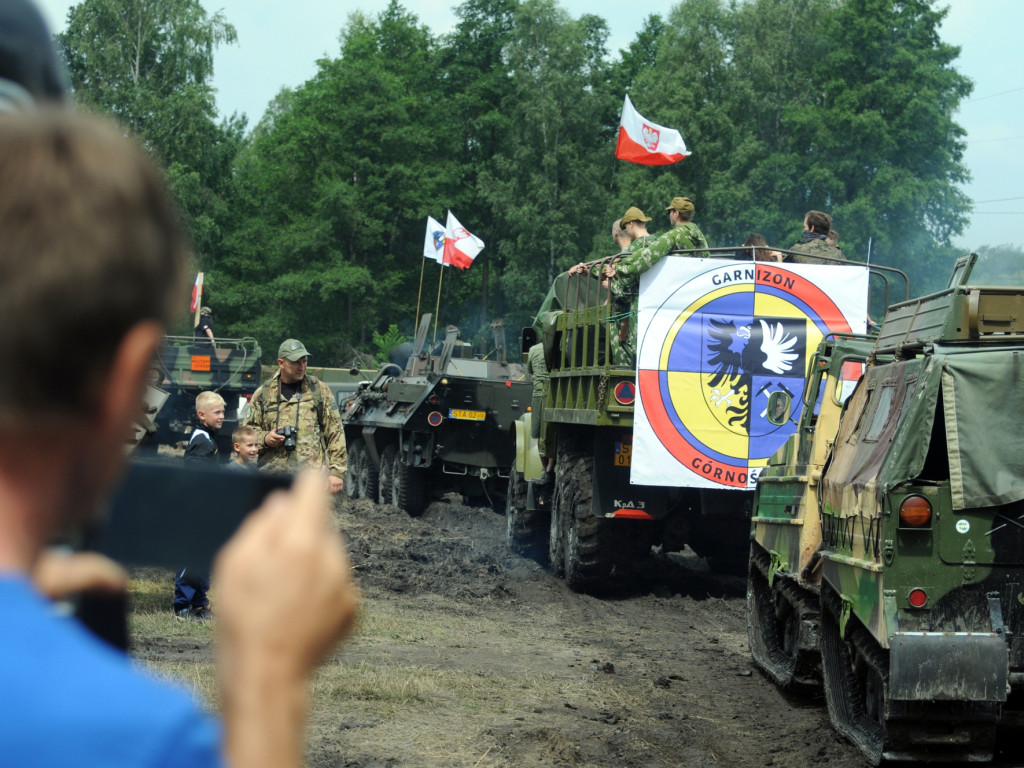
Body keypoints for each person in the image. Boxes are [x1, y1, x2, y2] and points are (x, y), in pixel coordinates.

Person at [0, 105, 358, 767]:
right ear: (128, 380)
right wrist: (267, 686)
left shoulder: (316, 397)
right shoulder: (138, 738)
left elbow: (335, 439)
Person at [245, 338, 346, 494]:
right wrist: (265, 438)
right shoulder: (263, 394)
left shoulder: (319, 390)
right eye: (296, 362)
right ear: (281, 363)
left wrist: (336, 472)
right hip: (272, 478)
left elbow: (335, 431)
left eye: (304, 361)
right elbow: (247, 433)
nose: (302, 367)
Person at [174, 391, 226, 620]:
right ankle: (182, 606)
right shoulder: (201, 441)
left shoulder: (207, 437)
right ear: (202, 415)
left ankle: (199, 604)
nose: (222, 416)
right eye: (217, 412)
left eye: (223, 411)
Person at [526, 343, 555, 484]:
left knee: (539, 435)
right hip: (556, 394)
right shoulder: (559, 346)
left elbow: (530, 371)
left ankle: (546, 470)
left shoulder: (534, 349)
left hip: (539, 393)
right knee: (553, 432)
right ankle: (550, 466)